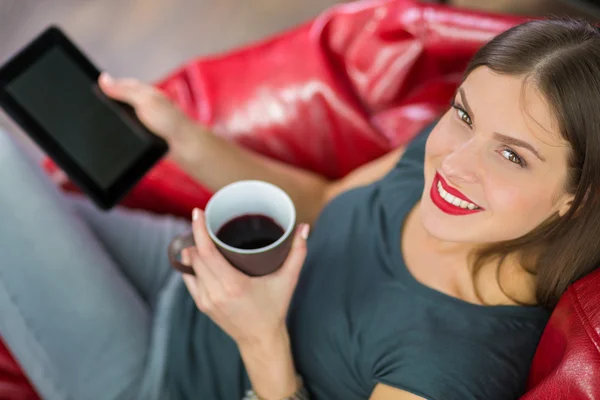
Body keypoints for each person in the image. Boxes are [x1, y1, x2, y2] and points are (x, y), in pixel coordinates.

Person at [1, 16, 599, 400]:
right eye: (466, 113)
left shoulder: (452, 370)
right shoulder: (444, 151)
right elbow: (321, 200)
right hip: (190, 277)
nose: (455, 162)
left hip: (162, 380)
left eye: (513, 156)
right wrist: (183, 137)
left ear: (578, 194)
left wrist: (261, 337)